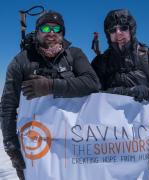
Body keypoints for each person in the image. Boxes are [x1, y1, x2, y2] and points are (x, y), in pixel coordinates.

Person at [1, 10, 100, 180]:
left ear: (62, 33)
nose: (51, 33)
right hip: (36, 147)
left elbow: (93, 83)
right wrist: (12, 148)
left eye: (57, 29)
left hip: (71, 145)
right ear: (38, 31)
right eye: (46, 28)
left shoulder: (74, 55)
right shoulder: (20, 61)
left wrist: (51, 86)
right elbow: (8, 106)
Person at [91, 9, 149, 173]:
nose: (118, 33)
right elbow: (91, 101)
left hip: (143, 146)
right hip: (108, 145)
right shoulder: (100, 63)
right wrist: (120, 93)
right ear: (108, 34)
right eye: (112, 30)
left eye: (123, 27)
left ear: (131, 29)